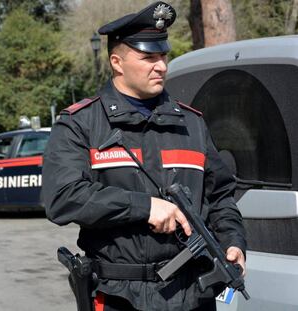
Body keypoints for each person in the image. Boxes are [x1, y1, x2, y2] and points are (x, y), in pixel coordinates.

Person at [42, 2, 246, 311]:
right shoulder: (81, 123)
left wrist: (234, 241)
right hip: (120, 297)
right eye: (148, 57)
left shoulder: (191, 123)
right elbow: (62, 197)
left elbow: (221, 197)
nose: (161, 66)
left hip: (194, 295)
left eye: (163, 55)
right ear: (117, 62)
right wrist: (144, 207)